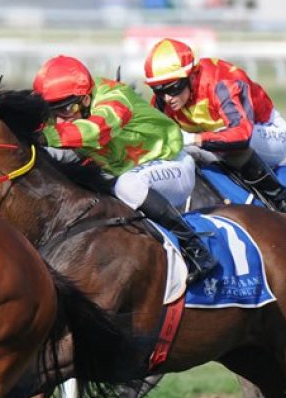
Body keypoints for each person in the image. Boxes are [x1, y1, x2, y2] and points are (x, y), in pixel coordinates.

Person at [32, 54, 217, 283]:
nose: (59, 122)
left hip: (172, 164)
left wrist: (45, 136)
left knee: (128, 185)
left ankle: (195, 247)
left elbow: (94, 131)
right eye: (52, 113)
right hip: (129, 171)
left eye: (66, 110)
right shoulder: (68, 109)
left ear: (86, 99)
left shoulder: (115, 98)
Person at [143, 38, 286, 218]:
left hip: (267, 133)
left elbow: (241, 135)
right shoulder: (163, 101)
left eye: (173, 88)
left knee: (220, 143)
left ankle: (284, 199)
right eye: (159, 90)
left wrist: (194, 139)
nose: (167, 98)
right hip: (219, 133)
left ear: (191, 75)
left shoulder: (221, 83)